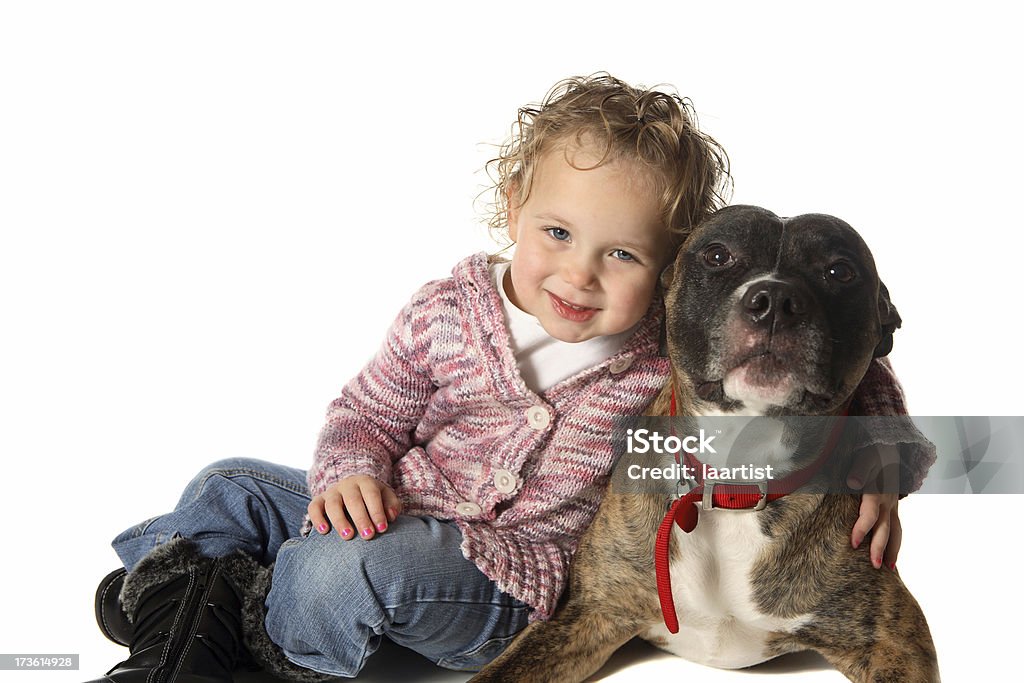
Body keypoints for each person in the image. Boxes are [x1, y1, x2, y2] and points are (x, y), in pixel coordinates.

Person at [88, 73, 934, 683]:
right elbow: (365, 411)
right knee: (229, 483)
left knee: (331, 574)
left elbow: (851, 360)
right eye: (557, 232)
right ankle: (174, 615)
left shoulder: (657, 345)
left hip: (502, 570)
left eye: (624, 254)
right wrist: (350, 467)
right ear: (514, 206)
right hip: (401, 501)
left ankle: (226, 619)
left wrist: (880, 458)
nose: (580, 276)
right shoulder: (450, 308)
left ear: (669, 277)